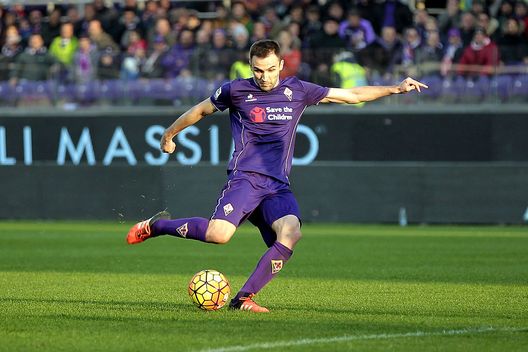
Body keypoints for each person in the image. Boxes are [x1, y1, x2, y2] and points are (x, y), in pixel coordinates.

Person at [126, 39, 427, 313]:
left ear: (281, 65)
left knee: (291, 233)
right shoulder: (236, 90)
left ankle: (243, 299)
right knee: (219, 236)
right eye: (258, 70)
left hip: (276, 186)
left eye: (270, 69)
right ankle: (158, 226)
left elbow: (351, 95)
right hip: (246, 178)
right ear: (251, 67)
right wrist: (169, 134)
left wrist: (395, 88)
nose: (264, 76)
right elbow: (201, 110)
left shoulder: (298, 90)